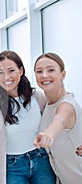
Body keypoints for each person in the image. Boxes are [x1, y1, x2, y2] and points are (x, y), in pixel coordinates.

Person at [0, 50, 56, 184]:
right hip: (13, 165)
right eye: (0, 73)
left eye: (11, 70)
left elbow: (62, 111)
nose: (6, 77)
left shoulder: (37, 97)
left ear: (21, 70)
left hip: (41, 159)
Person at [33, 52, 82, 183]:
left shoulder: (67, 105)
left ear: (63, 74)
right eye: (39, 71)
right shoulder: (47, 104)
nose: (44, 75)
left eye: (51, 70)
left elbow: (60, 120)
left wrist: (48, 134)